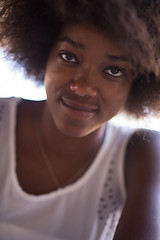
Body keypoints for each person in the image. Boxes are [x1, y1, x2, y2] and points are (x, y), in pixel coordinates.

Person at [0, 0, 160, 239]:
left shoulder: (142, 154)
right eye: (69, 56)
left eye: (114, 71)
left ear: (137, 83)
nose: (83, 87)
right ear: (44, 53)